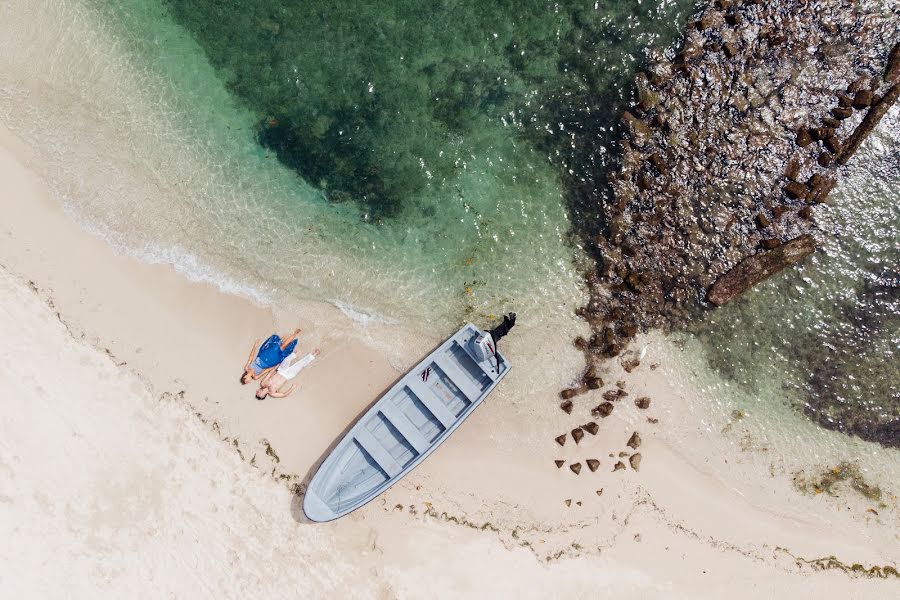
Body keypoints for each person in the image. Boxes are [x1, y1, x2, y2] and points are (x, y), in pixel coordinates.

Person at [255, 349, 321, 399]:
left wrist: (275, 367)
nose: (258, 393)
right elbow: (284, 395)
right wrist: (292, 388)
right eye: (259, 395)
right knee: (300, 365)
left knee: (287, 359)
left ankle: (298, 350)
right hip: (288, 376)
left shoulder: (263, 383)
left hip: (280, 370)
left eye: (258, 393)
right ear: (263, 396)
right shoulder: (272, 393)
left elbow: (269, 374)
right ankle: (314, 355)